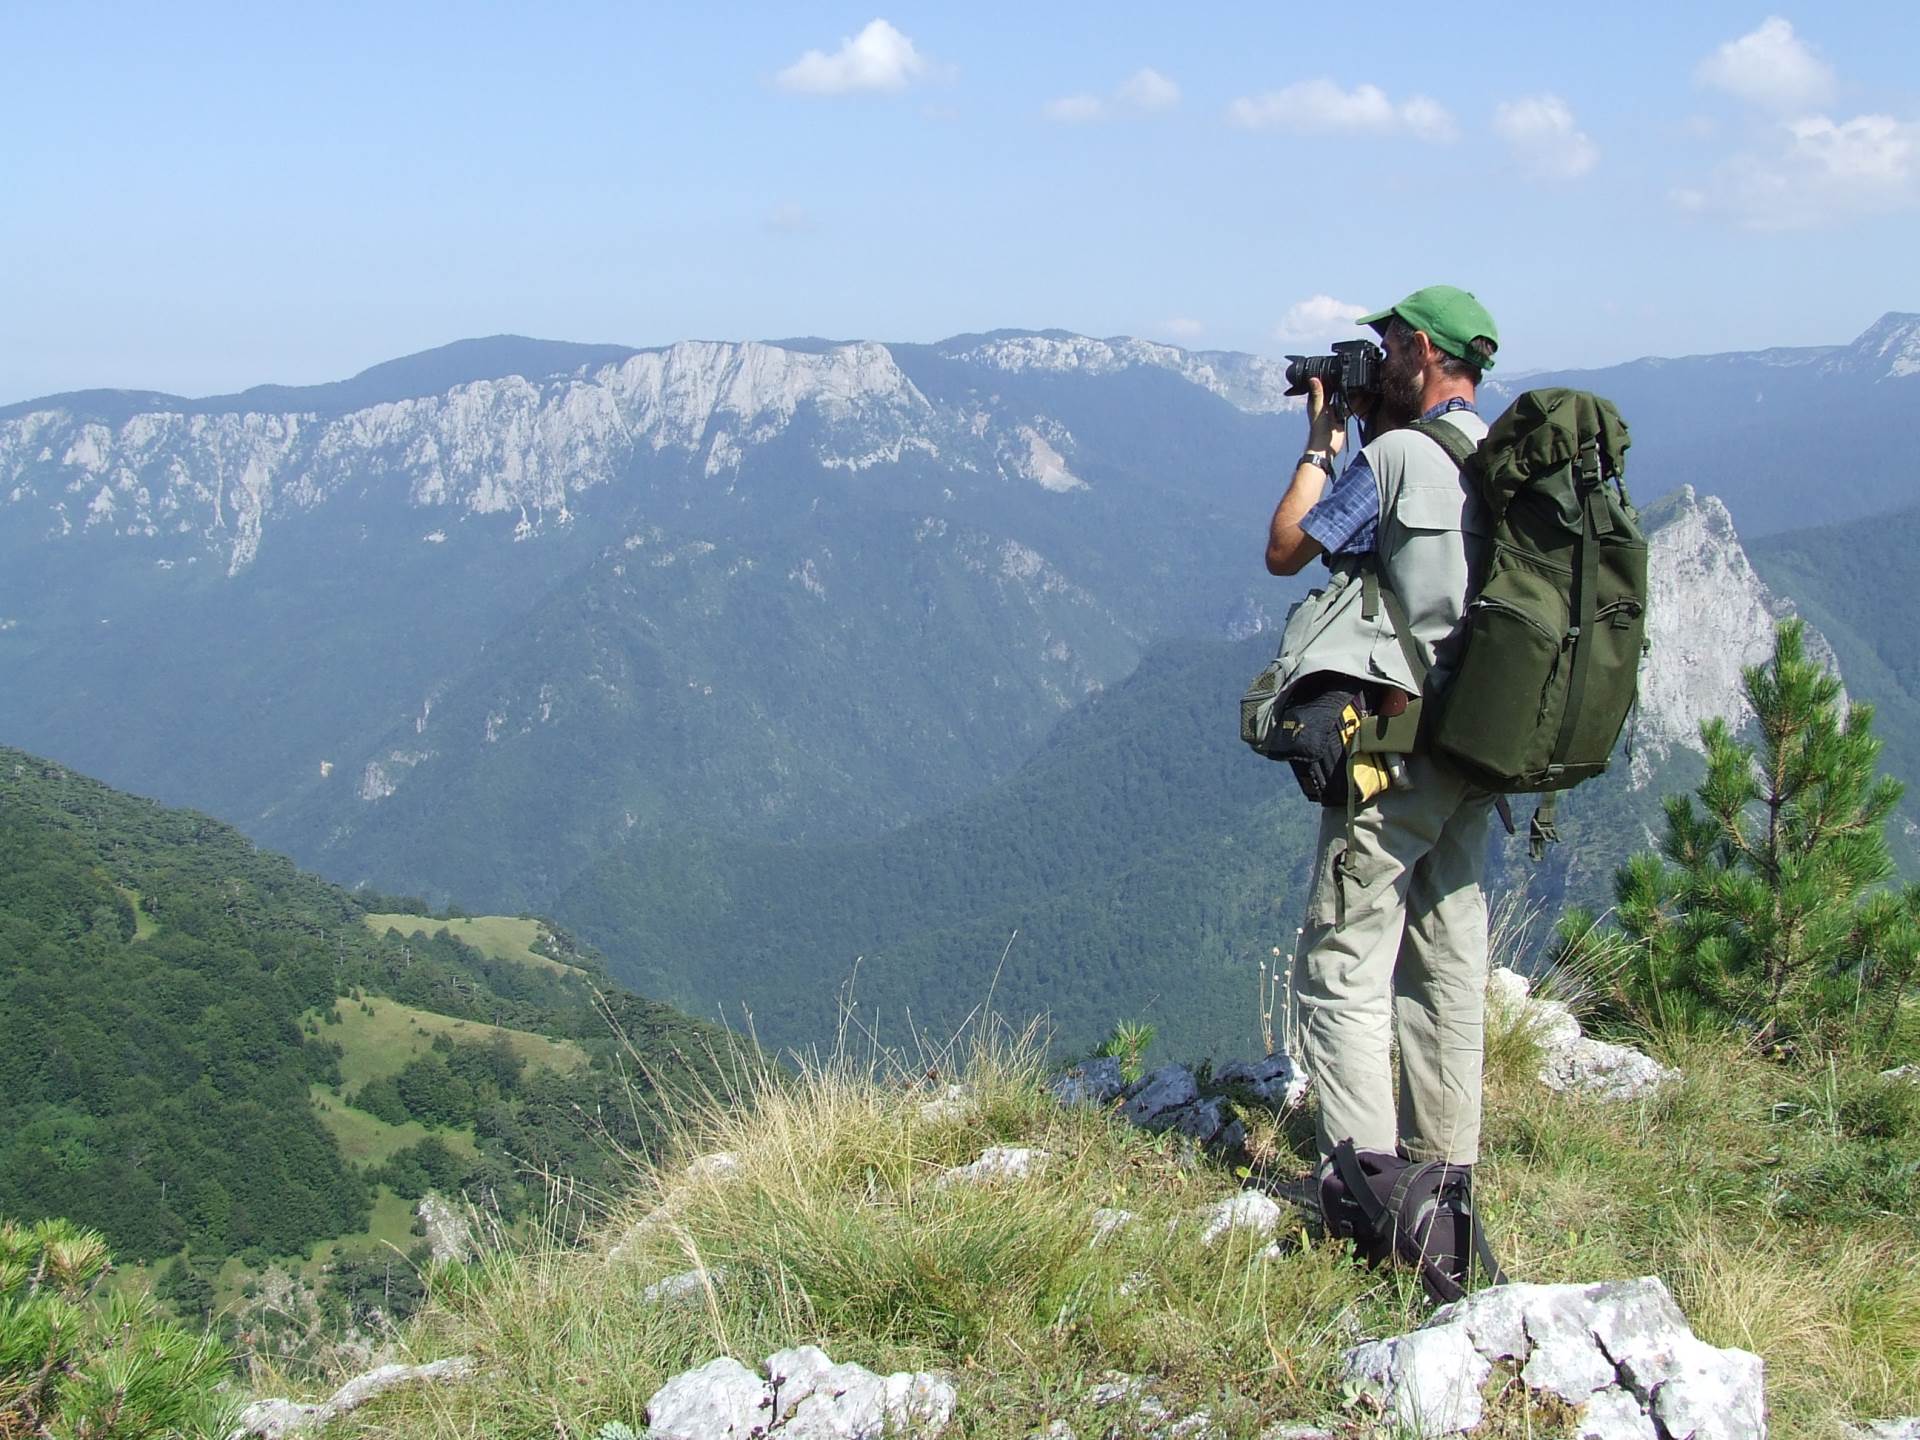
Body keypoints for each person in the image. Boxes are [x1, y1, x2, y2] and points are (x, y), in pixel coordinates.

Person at [1262, 284, 1502, 1175]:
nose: (1381, 357)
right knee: (1444, 967)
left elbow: (1288, 546)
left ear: (1428, 354)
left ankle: (1373, 1201)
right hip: (1479, 742)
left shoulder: (1397, 456)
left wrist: (1323, 448)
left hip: (1399, 748)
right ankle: (1449, 1188)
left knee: (1343, 963)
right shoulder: (1496, 455)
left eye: (1393, 343)